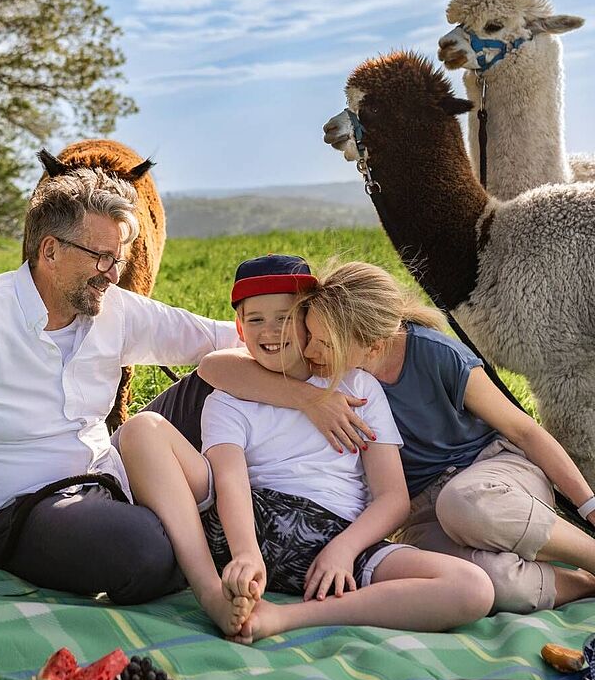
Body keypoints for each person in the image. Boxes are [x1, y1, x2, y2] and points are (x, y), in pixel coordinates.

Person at [0, 167, 245, 621]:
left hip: (109, 473)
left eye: (118, 259)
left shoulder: (112, 309)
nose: (113, 275)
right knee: (144, 551)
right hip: (17, 513)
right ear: (50, 250)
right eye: (101, 258)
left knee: (217, 379)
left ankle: (233, 522)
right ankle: (211, 534)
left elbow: (223, 339)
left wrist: (320, 384)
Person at [116, 254, 494, 642]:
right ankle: (211, 592)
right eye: (256, 319)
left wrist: (345, 548)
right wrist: (246, 553)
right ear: (240, 330)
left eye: (285, 317)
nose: (270, 331)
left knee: (472, 588)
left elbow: (392, 497)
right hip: (243, 525)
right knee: (142, 428)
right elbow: (229, 478)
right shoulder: (230, 398)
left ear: (309, 322)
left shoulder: (356, 386)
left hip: (338, 537)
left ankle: (286, 618)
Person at [201, 260, 595, 613]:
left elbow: (524, 429)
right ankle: (581, 584)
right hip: (422, 505)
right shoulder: (335, 368)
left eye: (322, 342)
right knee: (495, 584)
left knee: (467, 504)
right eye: (311, 335)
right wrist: (308, 399)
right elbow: (215, 368)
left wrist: (588, 504)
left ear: (370, 345)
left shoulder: (437, 356)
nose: (311, 350)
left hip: (490, 470)